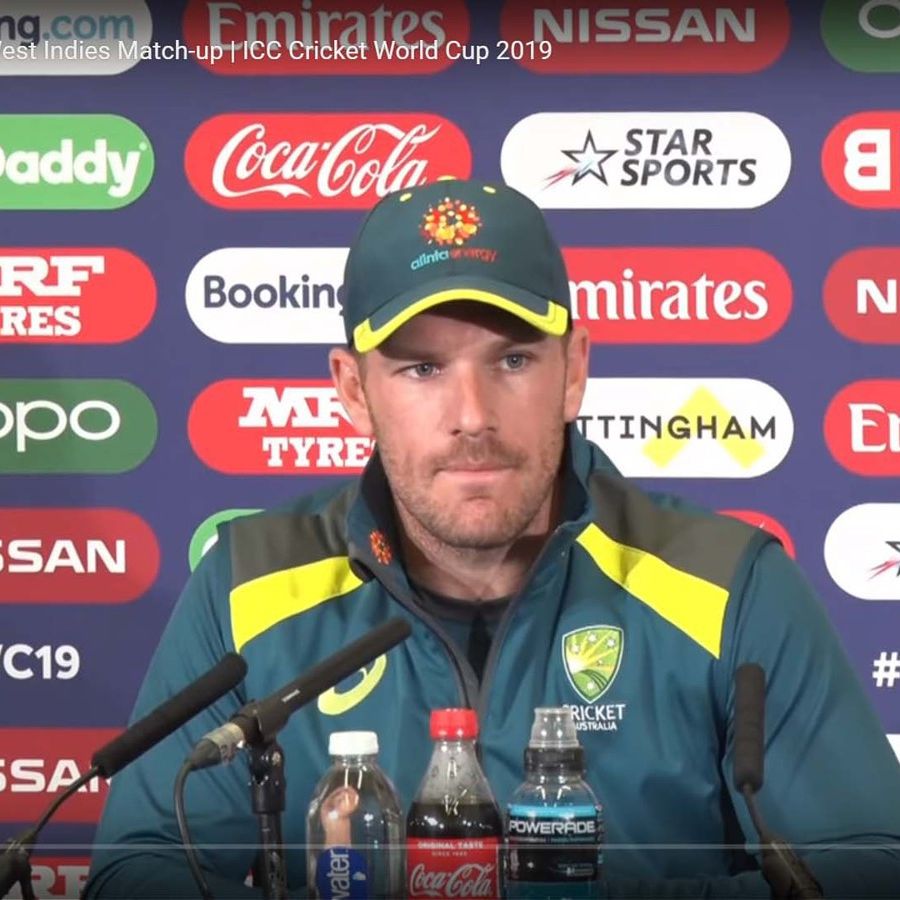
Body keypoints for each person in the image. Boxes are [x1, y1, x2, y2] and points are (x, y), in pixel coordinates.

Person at [85, 177, 900, 899]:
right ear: (353, 390)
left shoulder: (730, 585)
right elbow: (135, 872)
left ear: (573, 370)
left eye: (512, 362)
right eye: (422, 369)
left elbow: (869, 870)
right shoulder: (246, 584)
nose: (473, 417)